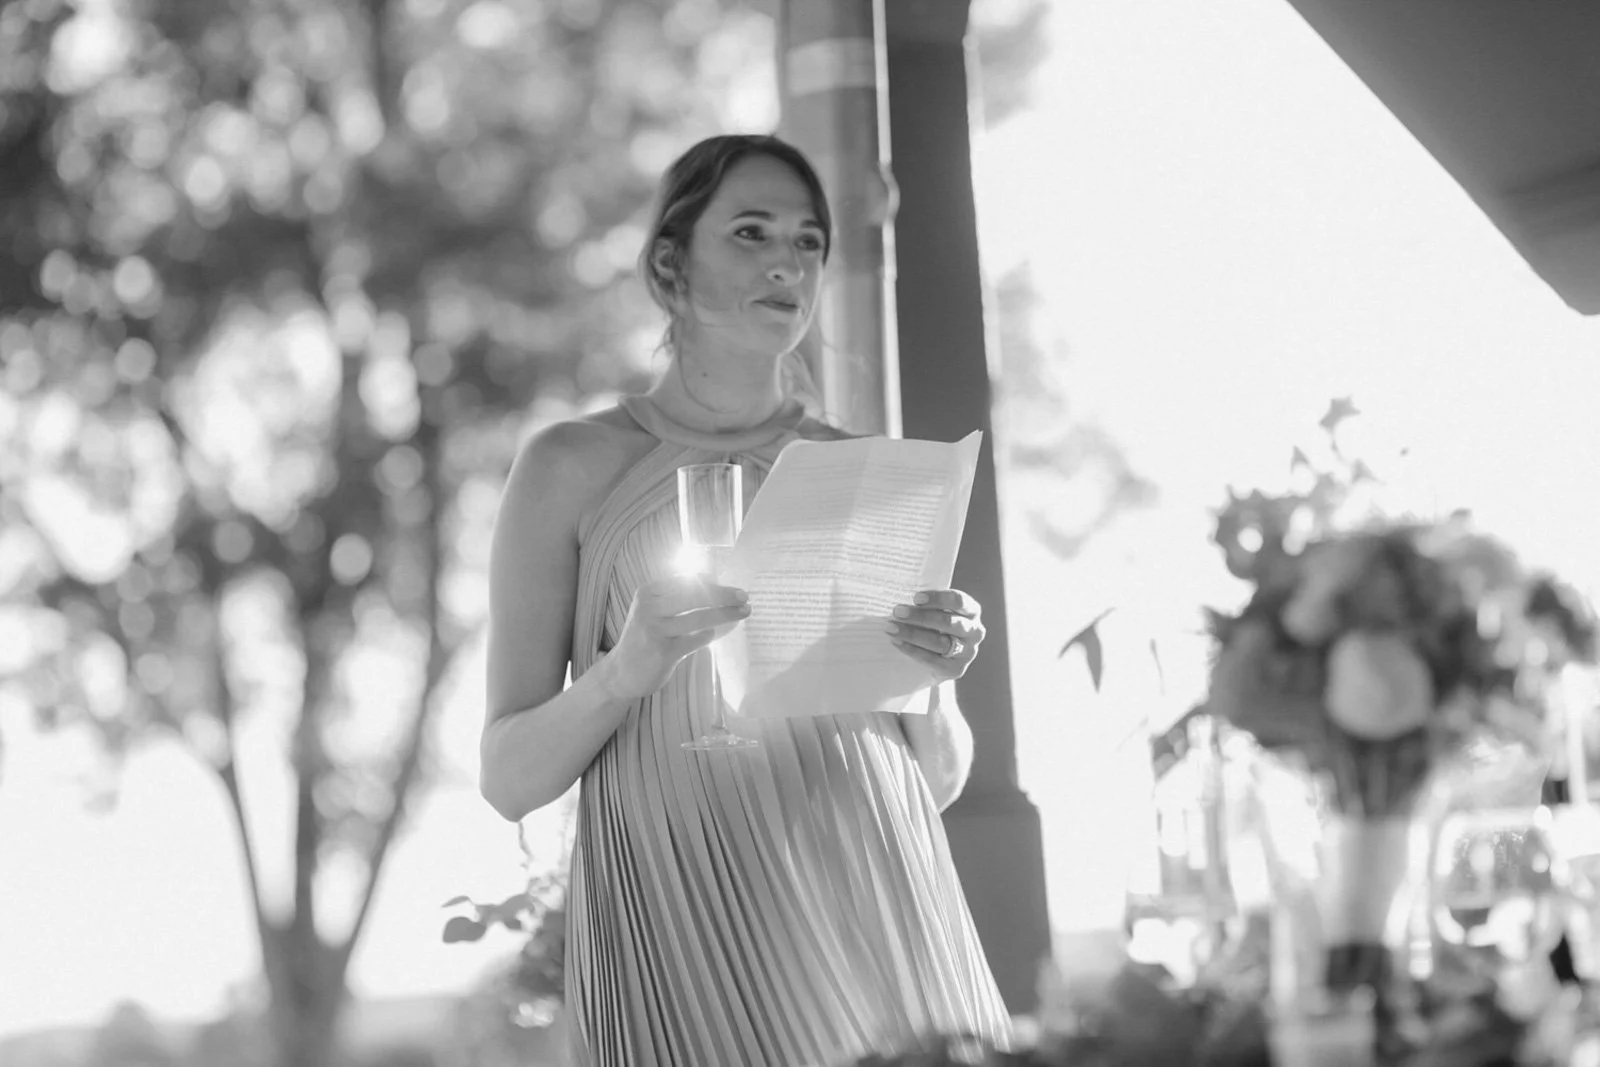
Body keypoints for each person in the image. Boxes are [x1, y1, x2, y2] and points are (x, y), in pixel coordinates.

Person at [480, 133, 1012, 1067]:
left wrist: (935, 677)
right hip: (678, 915)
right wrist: (622, 674)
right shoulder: (567, 465)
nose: (786, 263)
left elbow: (934, 777)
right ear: (670, 263)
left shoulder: (865, 470)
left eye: (808, 242)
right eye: (752, 232)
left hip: (871, 896)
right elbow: (508, 775)